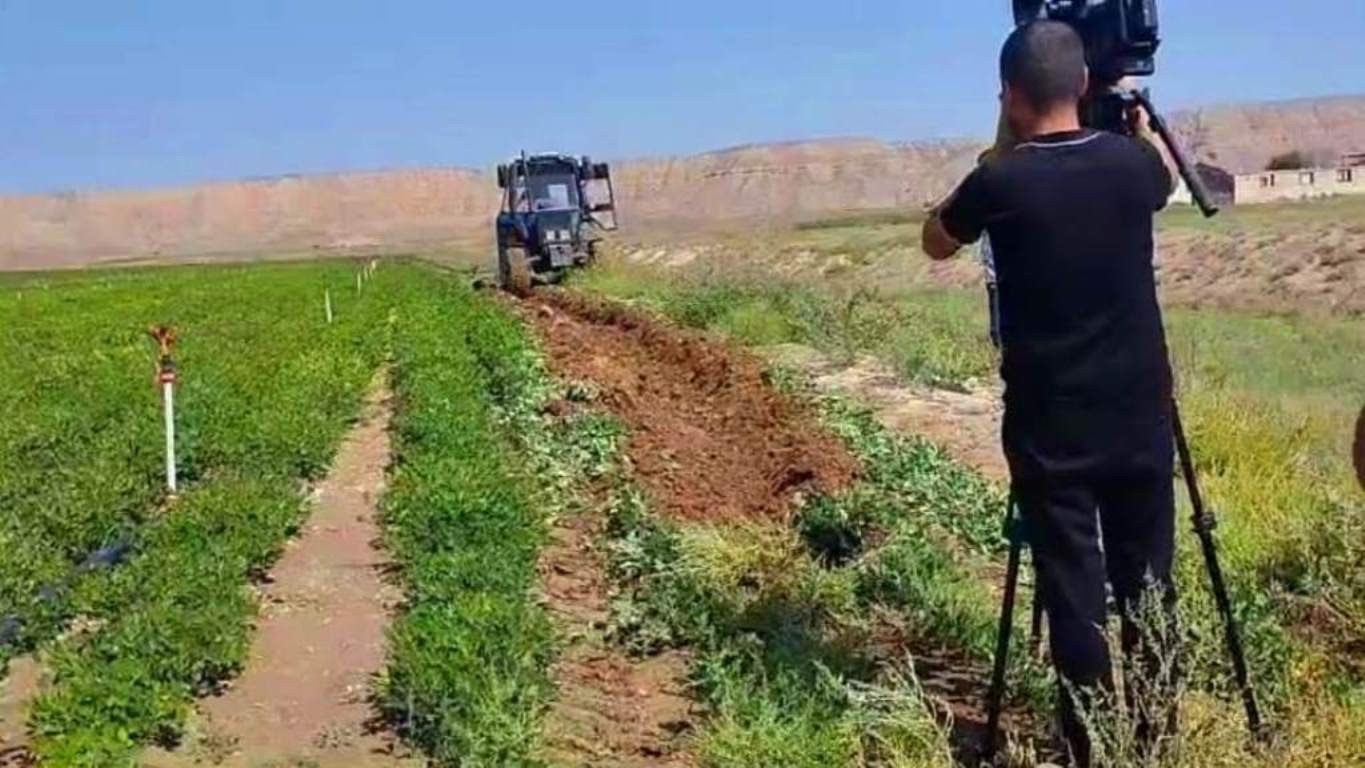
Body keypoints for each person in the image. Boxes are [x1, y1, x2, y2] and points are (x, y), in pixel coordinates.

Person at [920, 20, 1181, 767]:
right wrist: (1130, 123)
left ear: (1007, 94)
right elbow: (1161, 177)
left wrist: (1001, 147)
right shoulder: (1134, 169)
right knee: (1149, 580)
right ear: (1085, 86)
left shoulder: (997, 182)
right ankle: (1154, 740)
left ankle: (1090, 749)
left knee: (1073, 586)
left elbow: (935, 241)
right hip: (1138, 414)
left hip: (1049, 426)